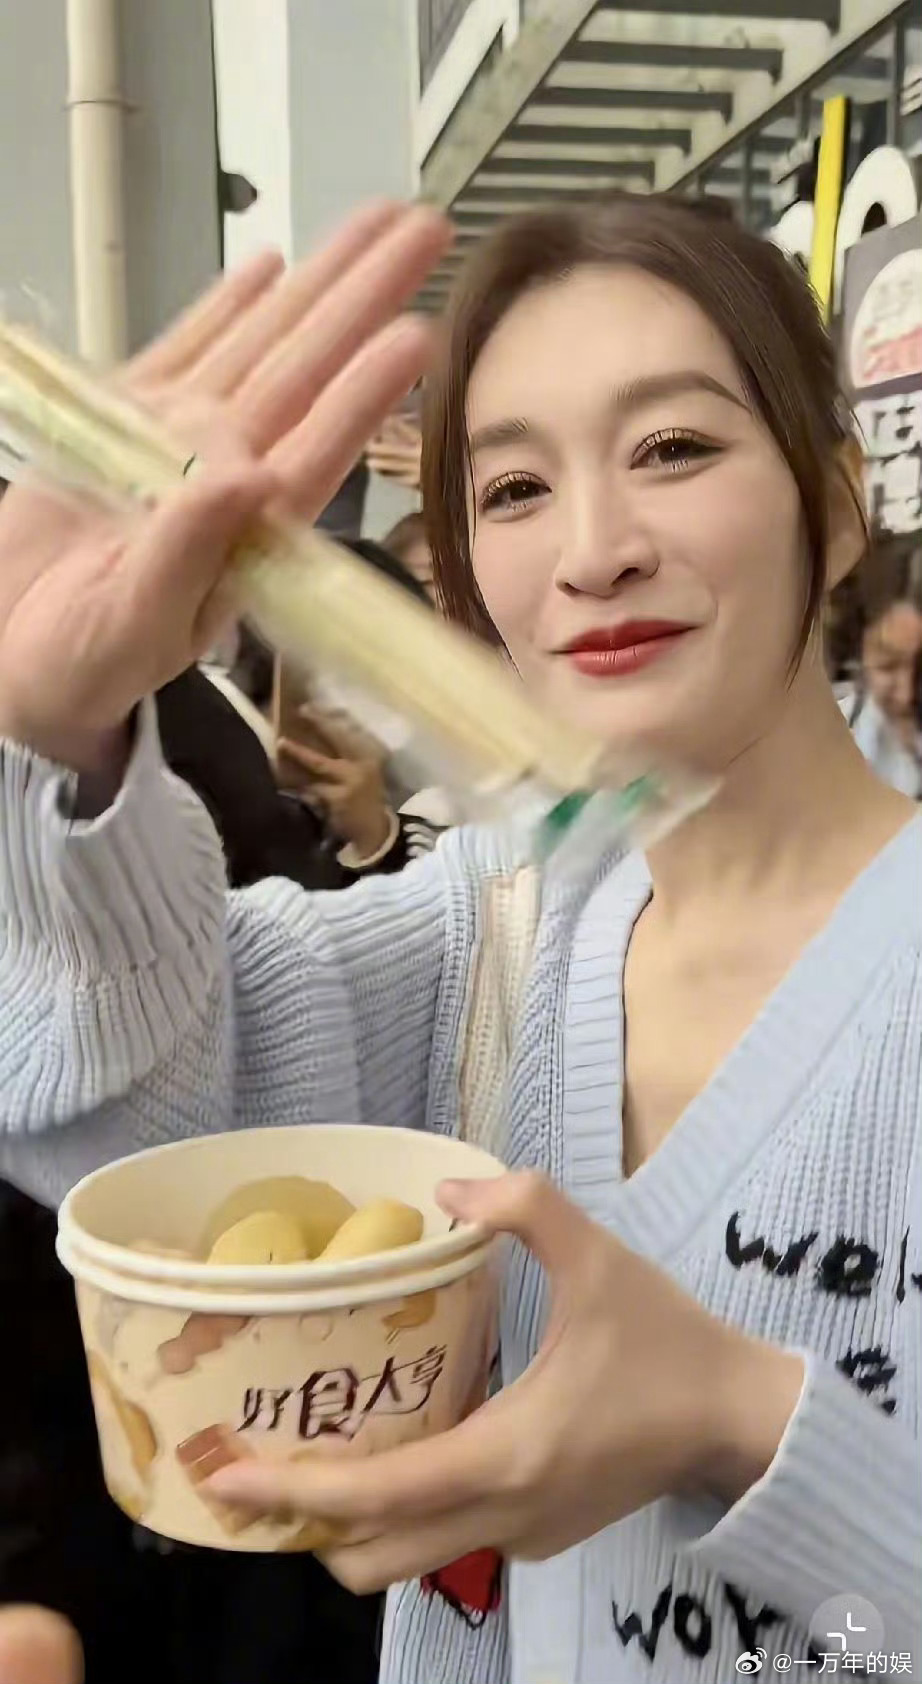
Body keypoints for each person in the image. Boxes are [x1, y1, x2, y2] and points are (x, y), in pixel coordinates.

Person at [0, 194, 919, 1684]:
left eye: (673, 448)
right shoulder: (493, 932)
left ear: (834, 501)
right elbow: (135, 1123)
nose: (593, 552)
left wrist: (739, 1423)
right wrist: (59, 734)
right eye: (514, 488)